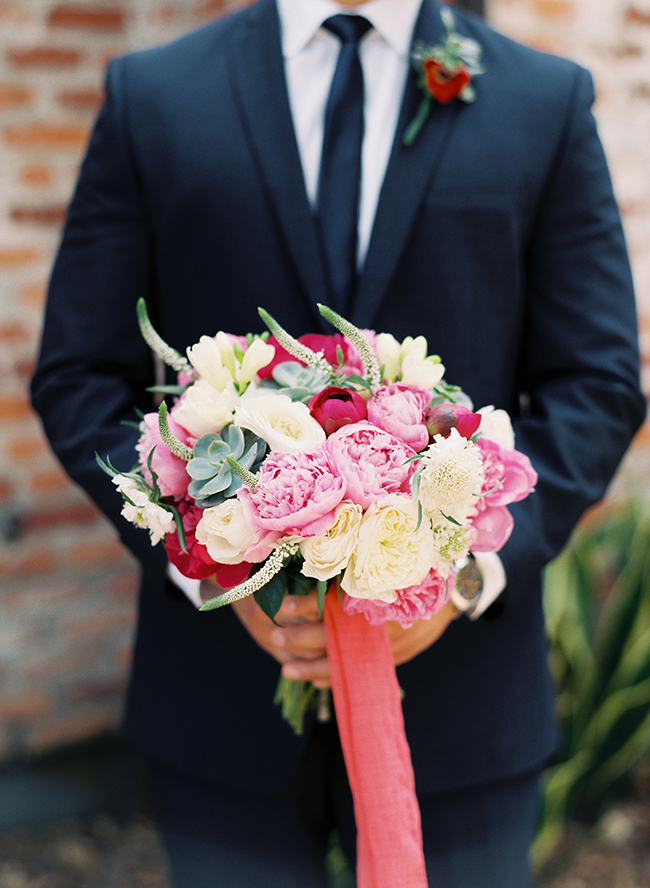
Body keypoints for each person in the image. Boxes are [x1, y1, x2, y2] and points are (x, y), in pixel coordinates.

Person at [31, 0, 646, 885]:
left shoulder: (544, 101)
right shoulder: (154, 94)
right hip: (220, 705)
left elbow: (595, 383)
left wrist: (463, 574)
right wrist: (208, 554)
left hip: (462, 711)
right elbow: (80, 373)